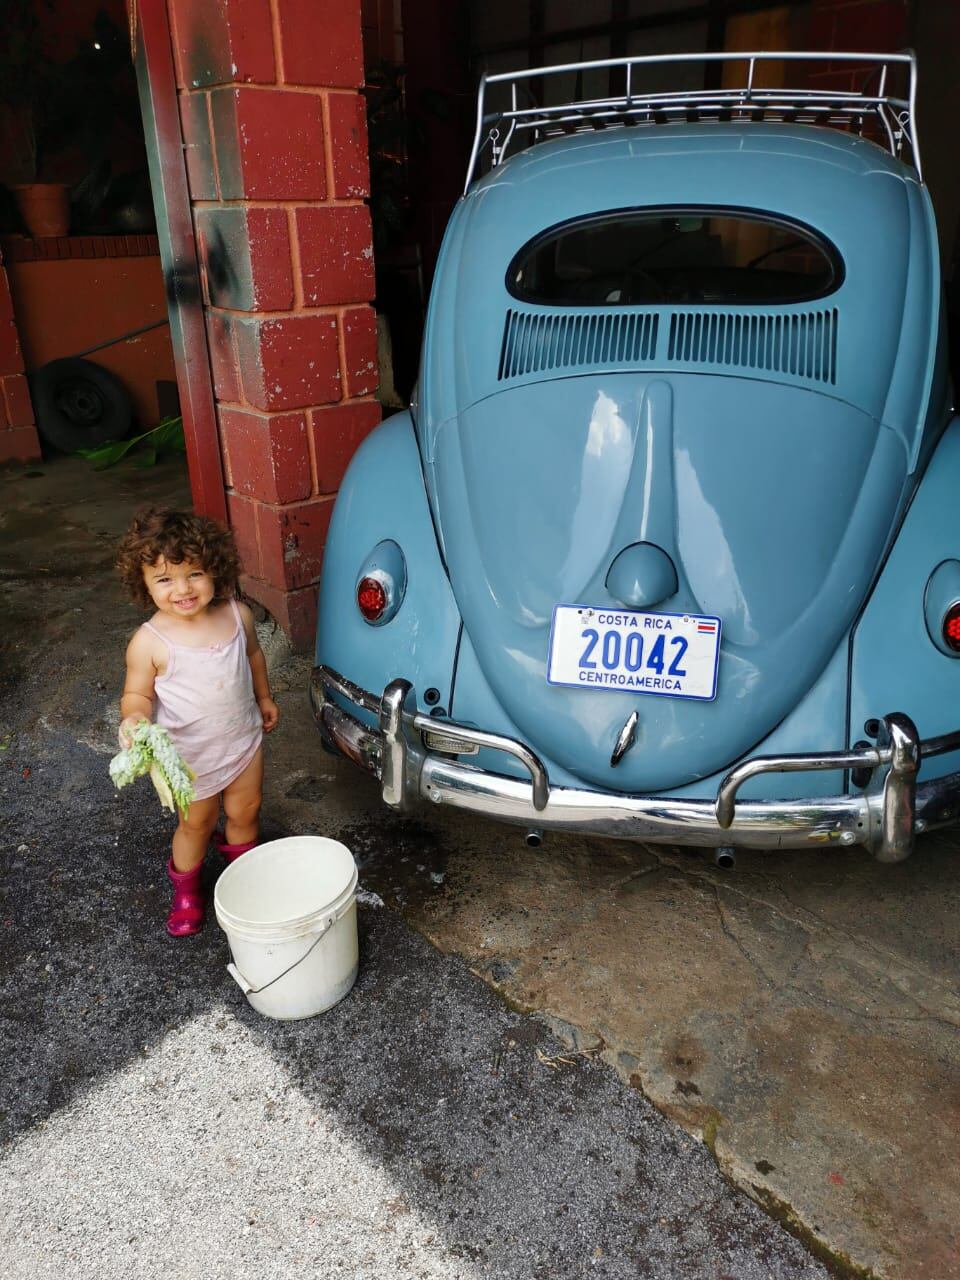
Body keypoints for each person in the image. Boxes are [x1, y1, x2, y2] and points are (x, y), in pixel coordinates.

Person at [115, 507, 280, 937]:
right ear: (144, 582)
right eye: (165, 579)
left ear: (215, 570)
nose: (183, 589)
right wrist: (134, 719)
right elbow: (137, 694)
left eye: (195, 574)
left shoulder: (237, 616)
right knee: (197, 824)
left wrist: (263, 697)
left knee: (246, 809)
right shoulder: (150, 642)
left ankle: (243, 873)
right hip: (190, 762)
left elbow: (252, 658)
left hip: (243, 741)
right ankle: (187, 891)